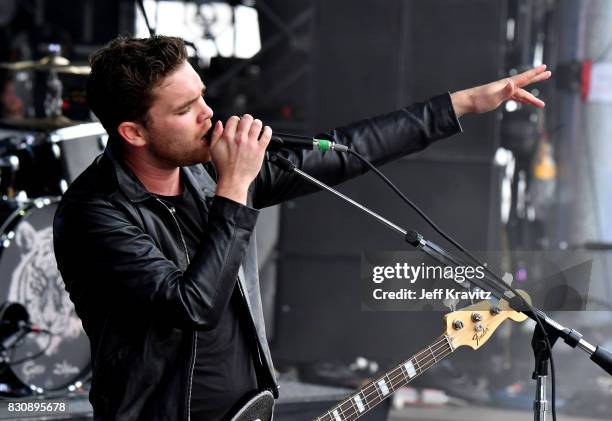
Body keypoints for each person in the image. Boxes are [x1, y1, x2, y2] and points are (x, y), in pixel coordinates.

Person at [52, 35, 551, 421]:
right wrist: (236, 186)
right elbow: (192, 306)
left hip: (249, 406)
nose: (209, 116)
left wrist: (457, 105)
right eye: (185, 110)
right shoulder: (95, 213)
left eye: (202, 98)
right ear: (133, 132)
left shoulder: (206, 173)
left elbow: (345, 150)